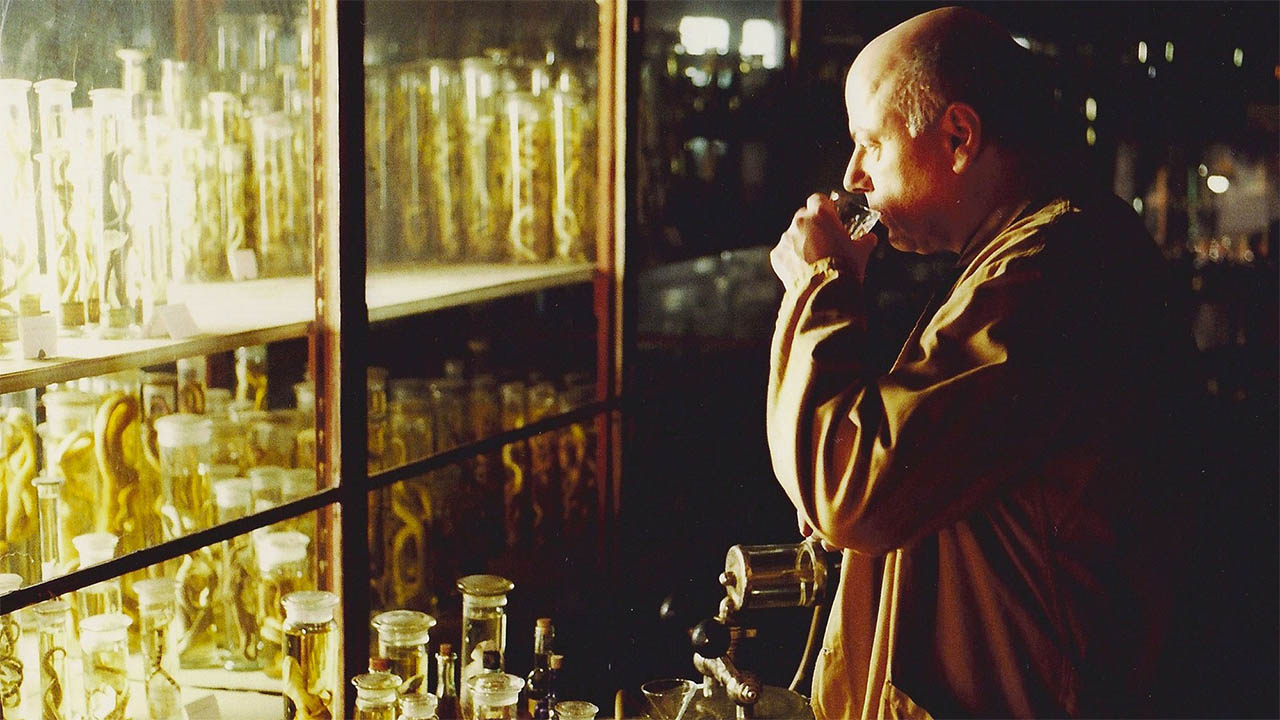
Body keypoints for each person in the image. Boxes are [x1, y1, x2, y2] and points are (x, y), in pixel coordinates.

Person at [767, 7, 1211, 719]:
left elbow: (850, 489)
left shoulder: (1053, 273)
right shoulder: (1028, 255)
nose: (852, 177)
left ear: (959, 137)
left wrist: (820, 284)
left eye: (870, 143)